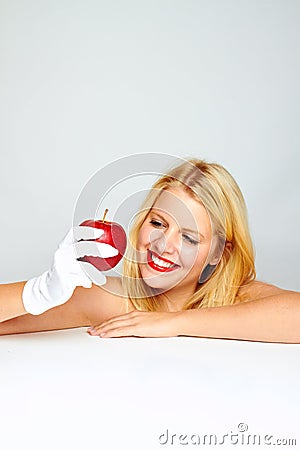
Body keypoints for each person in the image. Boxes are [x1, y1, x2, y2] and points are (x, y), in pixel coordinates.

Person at [0, 158, 299, 343]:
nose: (163, 245)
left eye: (190, 239)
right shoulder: (115, 300)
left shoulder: (239, 299)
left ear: (218, 253)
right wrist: (38, 293)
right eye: (158, 222)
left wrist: (173, 323)